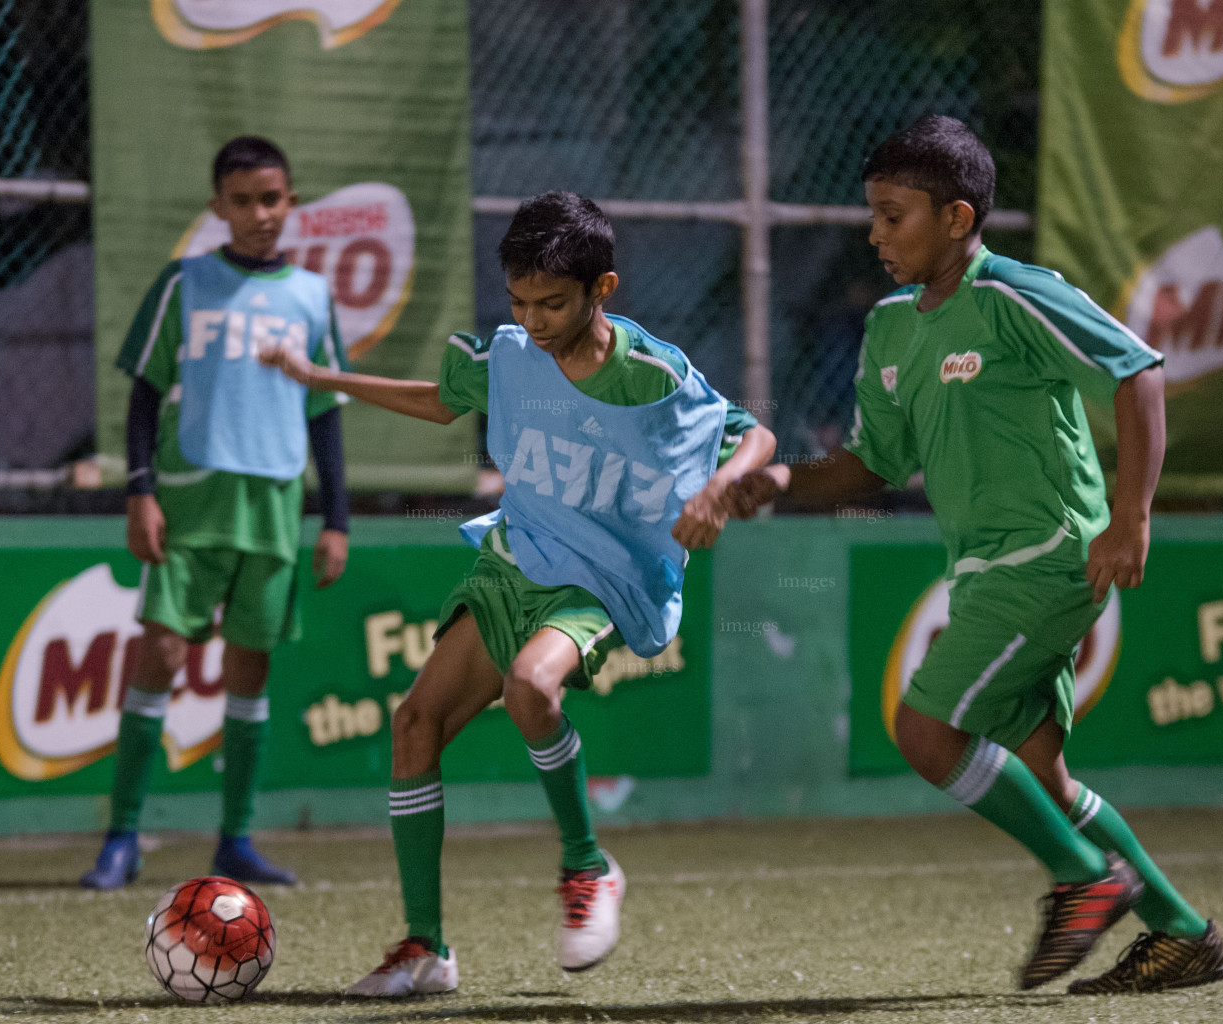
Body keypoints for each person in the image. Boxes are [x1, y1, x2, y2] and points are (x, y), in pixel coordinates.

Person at [725, 116, 1223, 994]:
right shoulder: (889, 329)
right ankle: (1184, 933)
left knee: (924, 729)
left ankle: (1082, 880)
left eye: (894, 216)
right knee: (1045, 778)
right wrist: (775, 483)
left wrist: (1131, 515)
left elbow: (1137, 370)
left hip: (1049, 558)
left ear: (957, 219)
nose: (876, 235)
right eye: (872, 217)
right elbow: (871, 465)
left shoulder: (1016, 294)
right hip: (985, 571)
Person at [261, 191, 776, 998]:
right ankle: (425, 949)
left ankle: (588, 865)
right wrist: (319, 376)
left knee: (532, 686)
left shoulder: (651, 375)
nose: (534, 320)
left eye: (553, 303)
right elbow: (441, 403)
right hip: (517, 559)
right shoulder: (508, 356)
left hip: (605, 577)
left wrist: (721, 490)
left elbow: (754, 435)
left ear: (602, 289)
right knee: (414, 725)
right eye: (520, 301)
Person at [80, 135, 351, 891]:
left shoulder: (311, 296)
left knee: (249, 668)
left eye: (271, 199)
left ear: (290, 201)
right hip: (190, 499)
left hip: (273, 506)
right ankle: (123, 834)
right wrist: (140, 491)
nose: (259, 213)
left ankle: (235, 839)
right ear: (218, 207)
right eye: (242, 201)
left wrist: (337, 520)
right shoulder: (186, 282)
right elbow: (142, 394)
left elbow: (325, 411)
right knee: (161, 656)